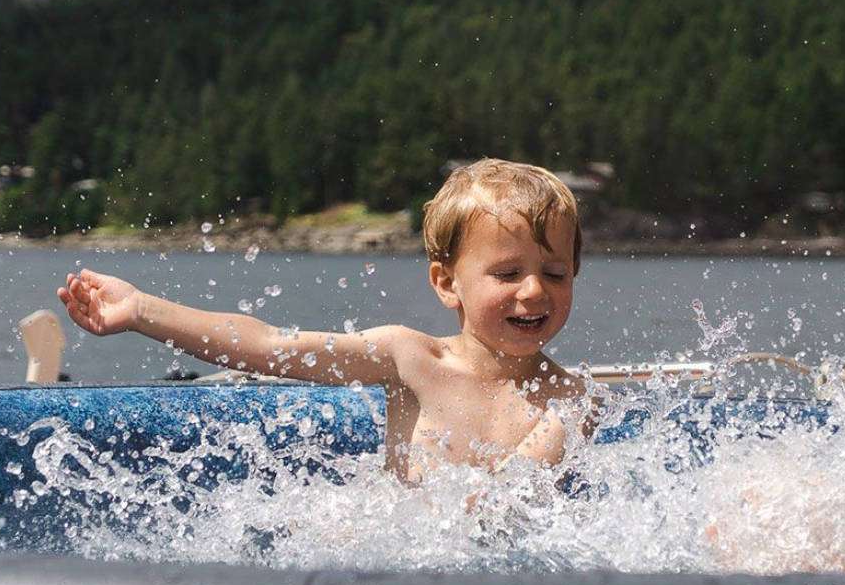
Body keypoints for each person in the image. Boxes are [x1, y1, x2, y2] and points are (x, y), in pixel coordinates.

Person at [57, 159, 594, 483]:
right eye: (507, 273)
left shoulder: (570, 401)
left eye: (555, 273)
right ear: (447, 282)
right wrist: (141, 310)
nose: (534, 291)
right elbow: (269, 346)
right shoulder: (408, 357)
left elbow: (505, 512)